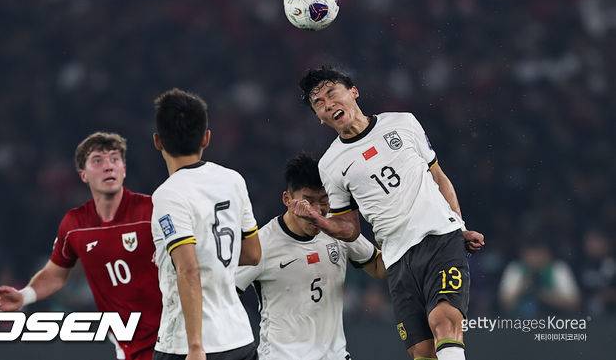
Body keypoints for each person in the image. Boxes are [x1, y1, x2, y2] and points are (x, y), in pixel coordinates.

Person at [294, 67, 485, 360]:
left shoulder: (403, 123)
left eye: (332, 93)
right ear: (319, 117)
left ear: (353, 91)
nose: (328, 104)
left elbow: (438, 176)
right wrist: (320, 221)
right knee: (422, 351)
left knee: (444, 321)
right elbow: (350, 228)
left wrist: (460, 226)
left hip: (439, 238)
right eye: (318, 103)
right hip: (396, 259)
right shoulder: (330, 165)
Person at [0, 132, 161, 360]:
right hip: (128, 348)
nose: (108, 166)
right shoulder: (75, 224)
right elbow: (55, 274)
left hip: (173, 342)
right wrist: (24, 296)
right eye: (98, 160)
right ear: (83, 175)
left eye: (115, 159)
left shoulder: (153, 211)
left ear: (124, 169)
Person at [235, 153, 385, 360]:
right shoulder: (263, 244)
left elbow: (379, 267)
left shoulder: (337, 230)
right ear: (287, 199)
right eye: (308, 201)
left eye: (324, 201)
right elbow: (224, 293)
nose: (316, 210)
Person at [151, 88, 261, 360]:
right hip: (239, 338)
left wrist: (195, 346)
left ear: (158, 141)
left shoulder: (168, 194)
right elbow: (253, 253)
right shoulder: (233, 180)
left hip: (187, 345)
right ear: (206, 137)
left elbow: (188, 269)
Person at [499, 239, 580, 317]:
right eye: (531, 255)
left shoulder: (558, 268)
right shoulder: (516, 269)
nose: (534, 259)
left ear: (547, 254)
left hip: (556, 320)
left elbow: (574, 303)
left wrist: (544, 294)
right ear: (523, 255)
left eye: (538, 254)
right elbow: (505, 304)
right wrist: (523, 287)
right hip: (518, 321)